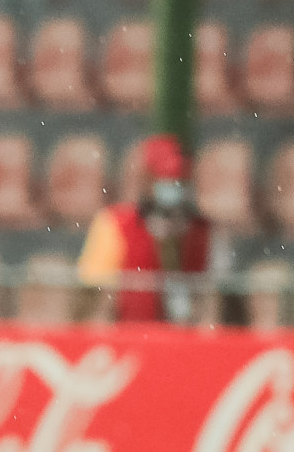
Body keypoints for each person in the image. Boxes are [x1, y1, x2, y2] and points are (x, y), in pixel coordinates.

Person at [76, 134, 222, 325]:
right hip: (130, 336)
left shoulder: (205, 232)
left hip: (186, 337)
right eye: (164, 180)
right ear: (146, 181)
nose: (172, 187)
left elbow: (214, 301)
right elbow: (95, 298)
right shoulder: (115, 224)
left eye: (178, 180)